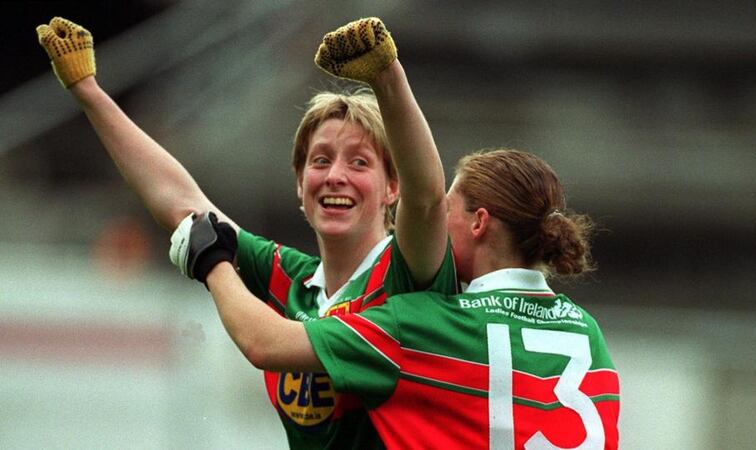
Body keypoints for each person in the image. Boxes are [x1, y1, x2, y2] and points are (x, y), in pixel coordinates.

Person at [36, 16, 459, 449]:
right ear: (299, 183)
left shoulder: (407, 272)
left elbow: (427, 199)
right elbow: (186, 206)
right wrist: (88, 90)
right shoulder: (291, 278)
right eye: (320, 160)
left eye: (359, 163)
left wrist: (388, 78)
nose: (335, 176)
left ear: (393, 187)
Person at [185, 148, 620, 449]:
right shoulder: (587, 331)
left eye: (445, 210)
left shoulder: (430, 324)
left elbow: (265, 342)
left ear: (479, 224)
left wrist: (212, 261)